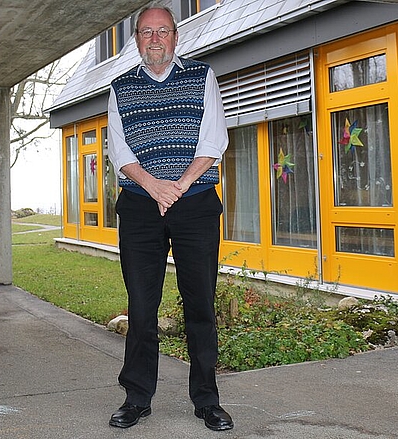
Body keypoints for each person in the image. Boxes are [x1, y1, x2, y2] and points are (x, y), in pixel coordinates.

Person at [106, 3, 233, 432]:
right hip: (141, 207)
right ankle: (137, 398)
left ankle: (207, 400)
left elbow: (214, 139)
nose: (155, 38)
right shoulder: (120, 87)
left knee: (200, 303)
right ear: (137, 40)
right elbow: (119, 152)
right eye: (146, 32)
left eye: (163, 31)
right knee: (142, 307)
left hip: (194, 202)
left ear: (175, 37)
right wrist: (155, 187)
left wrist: (176, 186)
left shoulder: (202, 77)